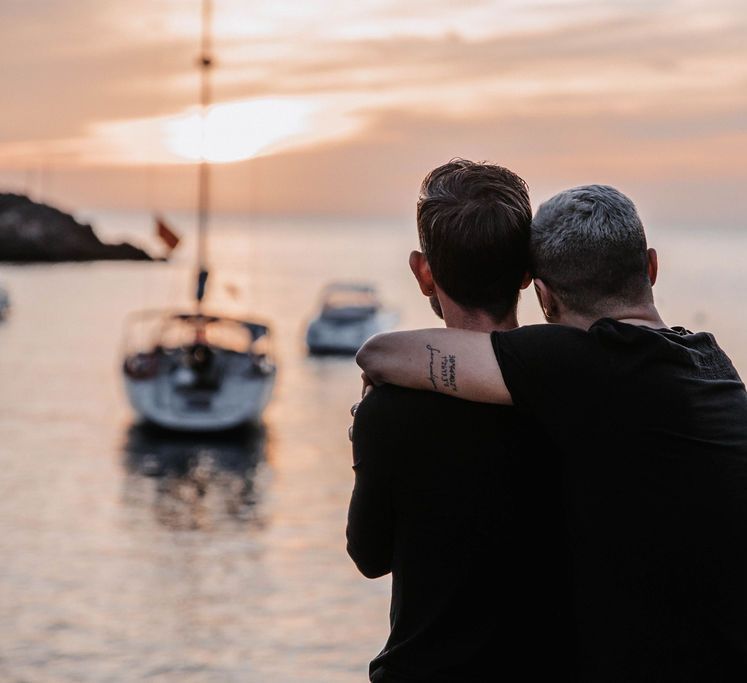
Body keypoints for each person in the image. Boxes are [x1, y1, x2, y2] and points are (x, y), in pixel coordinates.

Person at [356, 184, 747, 681]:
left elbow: (380, 354)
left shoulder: (583, 365)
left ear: (542, 295)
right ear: (650, 266)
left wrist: (373, 403)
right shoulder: (711, 363)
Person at [347, 160, 574, 682]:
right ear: (527, 270)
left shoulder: (389, 408)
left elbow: (369, 554)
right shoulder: (576, 389)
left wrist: (365, 431)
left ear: (422, 270)